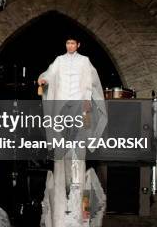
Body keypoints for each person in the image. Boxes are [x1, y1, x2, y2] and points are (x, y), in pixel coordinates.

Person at [38, 35, 107, 184]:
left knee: (79, 136)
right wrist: (44, 79)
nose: (70, 45)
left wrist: (87, 99)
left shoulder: (84, 60)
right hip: (62, 102)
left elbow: (89, 81)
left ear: (78, 45)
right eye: (67, 43)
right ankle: (61, 180)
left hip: (79, 100)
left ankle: (78, 180)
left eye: (72, 43)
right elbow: (50, 73)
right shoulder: (59, 60)